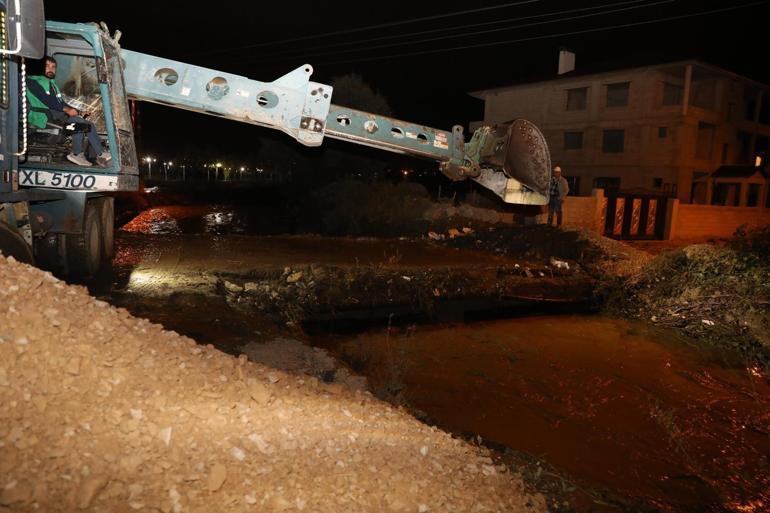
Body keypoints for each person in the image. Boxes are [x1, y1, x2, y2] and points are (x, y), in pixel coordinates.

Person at [26, 56, 111, 167]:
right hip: (43, 119)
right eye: (47, 66)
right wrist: (66, 109)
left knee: (88, 124)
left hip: (55, 117)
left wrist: (78, 111)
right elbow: (47, 100)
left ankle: (100, 153)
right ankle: (76, 153)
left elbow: (60, 102)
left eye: (53, 67)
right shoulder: (33, 82)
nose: (51, 69)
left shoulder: (51, 84)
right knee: (77, 123)